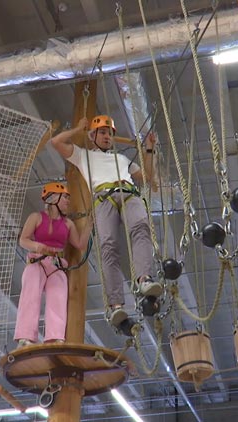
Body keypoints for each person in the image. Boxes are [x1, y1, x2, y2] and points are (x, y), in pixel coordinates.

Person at [50, 115, 161, 328]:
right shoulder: (84, 157)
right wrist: (77, 129)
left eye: (109, 133)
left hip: (128, 192)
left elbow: (148, 177)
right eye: (102, 132)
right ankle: (116, 304)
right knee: (108, 245)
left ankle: (145, 278)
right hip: (103, 198)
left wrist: (149, 149)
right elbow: (56, 142)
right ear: (92, 136)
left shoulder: (123, 160)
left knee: (141, 228)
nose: (107, 137)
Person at [14, 182, 92, 348]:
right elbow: (23, 240)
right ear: (53, 198)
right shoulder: (36, 217)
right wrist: (37, 246)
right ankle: (25, 337)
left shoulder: (68, 224)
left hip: (57, 265)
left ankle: (55, 338)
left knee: (58, 298)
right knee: (30, 296)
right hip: (37, 261)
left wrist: (90, 224)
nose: (67, 201)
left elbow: (79, 244)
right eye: (64, 197)